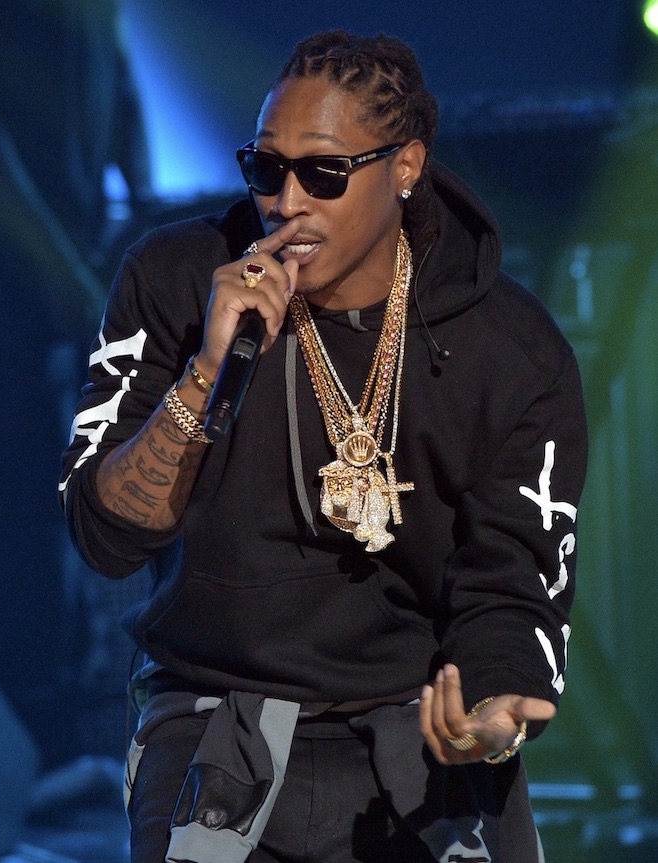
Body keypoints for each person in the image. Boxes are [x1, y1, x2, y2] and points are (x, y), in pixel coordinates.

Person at [59, 30, 587, 863]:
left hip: (414, 721)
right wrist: (206, 369)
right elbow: (107, 536)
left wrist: (490, 711)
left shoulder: (507, 347)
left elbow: (512, 576)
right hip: (216, 710)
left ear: (405, 167)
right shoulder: (176, 280)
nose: (287, 201)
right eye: (266, 168)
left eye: (324, 173)